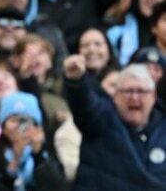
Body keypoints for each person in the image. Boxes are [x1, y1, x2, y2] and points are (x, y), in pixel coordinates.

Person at [64, 56, 166, 189]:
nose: (134, 97)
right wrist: (77, 82)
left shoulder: (163, 129)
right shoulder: (102, 118)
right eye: (128, 91)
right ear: (116, 96)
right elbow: (85, 105)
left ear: (153, 96)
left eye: (141, 91)